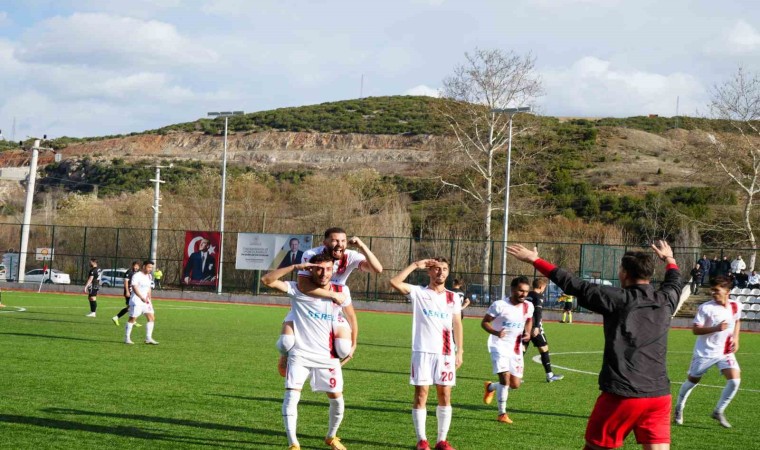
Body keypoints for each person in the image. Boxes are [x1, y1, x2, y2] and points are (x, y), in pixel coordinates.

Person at [507, 241, 681, 450]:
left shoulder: (618, 299)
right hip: (659, 396)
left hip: (623, 395)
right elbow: (674, 281)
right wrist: (669, 259)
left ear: (624, 273)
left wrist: (534, 260)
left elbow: (573, 284)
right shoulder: (666, 299)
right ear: (649, 274)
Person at [262, 252, 354, 450]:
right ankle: (293, 444)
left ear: (333, 270)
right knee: (291, 396)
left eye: (328, 269)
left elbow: (351, 317)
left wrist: (353, 344)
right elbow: (267, 280)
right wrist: (295, 267)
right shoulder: (297, 289)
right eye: (319, 269)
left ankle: (331, 437)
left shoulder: (340, 290)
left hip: (327, 356)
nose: (324, 273)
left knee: (338, 401)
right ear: (310, 269)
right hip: (300, 354)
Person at [276, 227, 382, 376]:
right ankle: (287, 354)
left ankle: (326, 366)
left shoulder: (350, 256)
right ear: (324, 242)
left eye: (343, 241)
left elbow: (377, 269)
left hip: (333, 309)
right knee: (285, 343)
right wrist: (332, 294)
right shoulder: (311, 255)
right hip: (307, 306)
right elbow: (304, 287)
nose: (340, 244)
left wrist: (362, 246)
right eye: (335, 240)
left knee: (344, 348)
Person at [390, 257, 463, 450]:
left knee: (445, 395)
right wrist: (415, 265)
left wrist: (460, 351)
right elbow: (394, 282)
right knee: (421, 394)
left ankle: (441, 441)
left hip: (446, 352)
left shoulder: (453, 297)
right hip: (422, 351)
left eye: (444, 269)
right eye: (436, 269)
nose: (441, 272)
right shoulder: (419, 292)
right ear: (429, 271)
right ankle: (422, 440)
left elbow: (457, 324)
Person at [674, 275, 742, 429]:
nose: (713, 293)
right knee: (692, 382)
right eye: (712, 290)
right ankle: (679, 407)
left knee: (735, 380)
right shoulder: (706, 308)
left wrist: (736, 338)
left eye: (717, 290)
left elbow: (737, 320)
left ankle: (718, 411)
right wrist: (716, 328)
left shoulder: (736, 305)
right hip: (705, 352)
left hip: (725, 351)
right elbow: (695, 330)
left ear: (727, 291)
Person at [481, 276, 534, 424]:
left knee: (515, 384)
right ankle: (502, 413)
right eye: (521, 291)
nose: (524, 294)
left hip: (515, 348)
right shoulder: (500, 305)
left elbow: (529, 319)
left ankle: (491, 387)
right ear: (512, 289)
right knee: (505, 377)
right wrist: (496, 332)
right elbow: (484, 322)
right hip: (498, 345)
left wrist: (528, 332)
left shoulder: (528, 306)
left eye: (526, 291)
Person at [523, 278, 564, 383]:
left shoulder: (527, 295)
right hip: (534, 326)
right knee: (544, 348)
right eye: (544, 288)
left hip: (523, 325)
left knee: (522, 349)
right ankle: (549, 375)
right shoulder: (538, 296)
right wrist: (536, 326)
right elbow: (537, 311)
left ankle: (514, 375)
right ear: (541, 287)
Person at [125, 260, 158, 345]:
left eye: (151, 267)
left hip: (146, 301)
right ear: (144, 266)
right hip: (137, 300)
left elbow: (149, 288)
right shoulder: (137, 275)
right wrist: (141, 297)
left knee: (151, 318)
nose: (150, 269)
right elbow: (134, 287)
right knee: (132, 319)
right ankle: (127, 338)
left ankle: (148, 338)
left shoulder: (149, 276)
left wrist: (149, 299)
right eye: (149, 267)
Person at [113, 261, 141, 327]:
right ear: (132, 266)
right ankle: (117, 317)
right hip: (129, 292)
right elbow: (126, 282)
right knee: (132, 307)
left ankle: (132, 320)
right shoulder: (129, 272)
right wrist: (127, 291)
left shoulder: (135, 273)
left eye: (137, 266)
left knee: (131, 307)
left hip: (133, 292)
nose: (136, 267)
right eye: (135, 266)